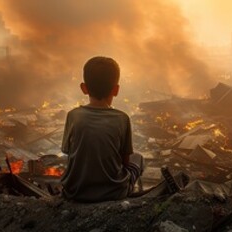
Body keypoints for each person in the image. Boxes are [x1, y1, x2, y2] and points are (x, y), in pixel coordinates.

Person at [60, 56, 184, 203]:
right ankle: (132, 193)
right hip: (113, 193)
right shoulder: (122, 118)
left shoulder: (73, 115)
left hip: (75, 192)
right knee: (138, 158)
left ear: (84, 88)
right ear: (116, 90)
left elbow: (68, 152)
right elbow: (125, 162)